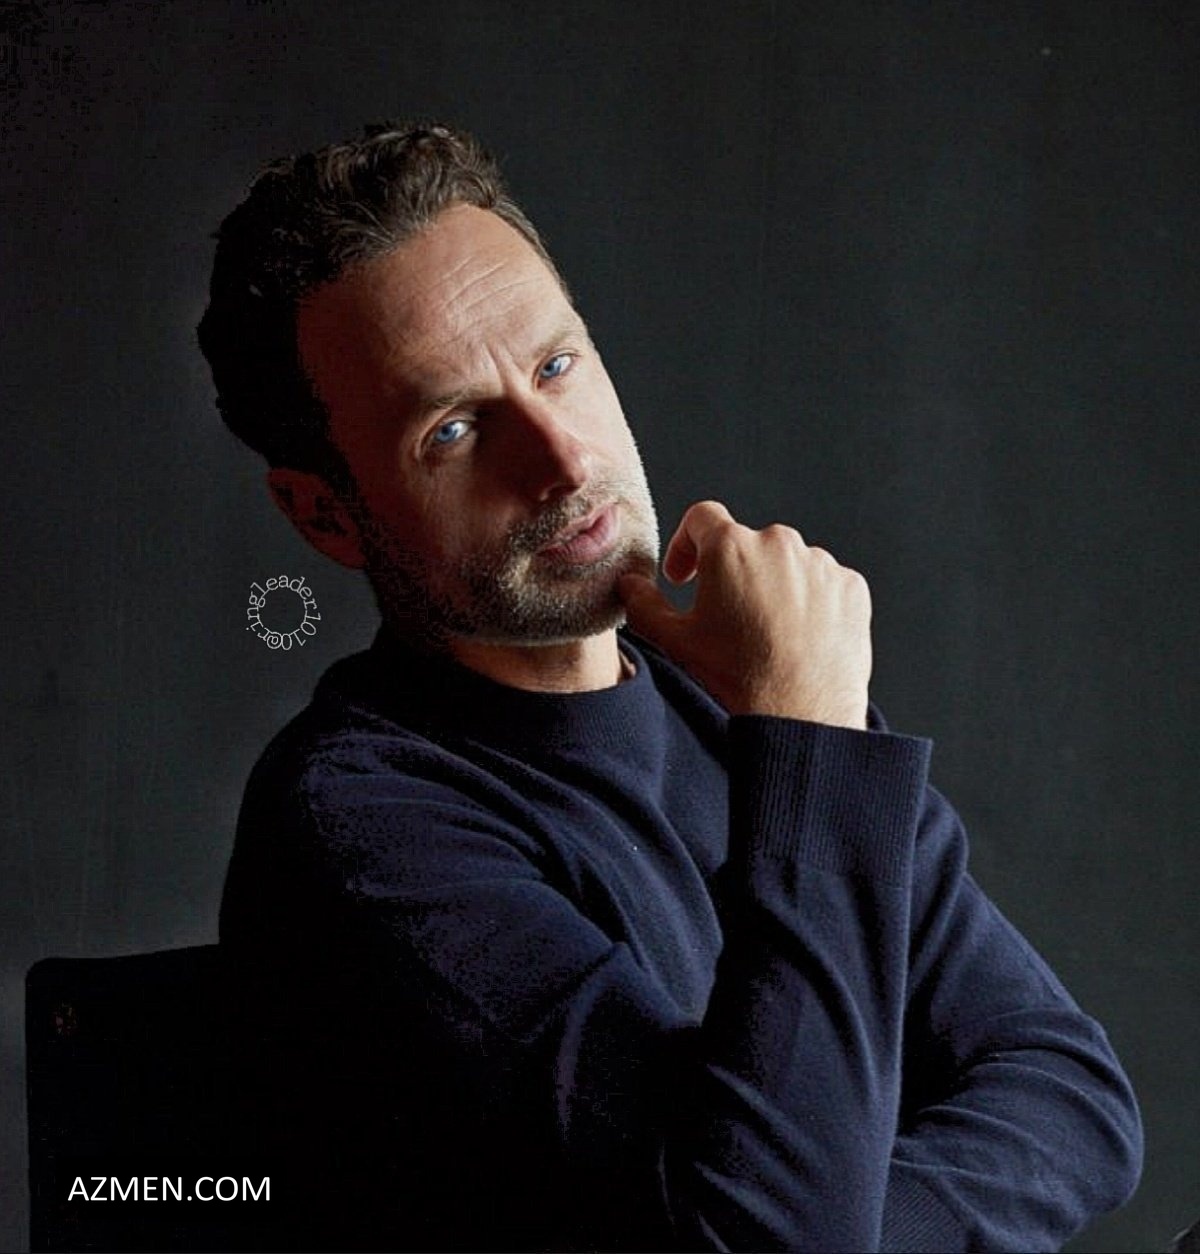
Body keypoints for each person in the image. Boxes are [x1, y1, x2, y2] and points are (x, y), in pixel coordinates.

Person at [199, 122, 1142, 1252]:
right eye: (453, 430)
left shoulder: (732, 712)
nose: (561, 461)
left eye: (557, 367)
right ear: (324, 514)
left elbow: (1073, 1096)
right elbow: (776, 1236)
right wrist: (808, 732)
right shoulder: (362, 827)